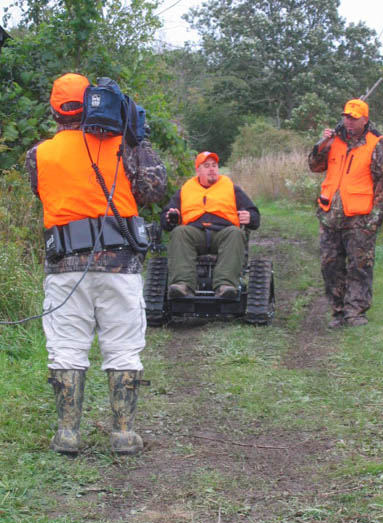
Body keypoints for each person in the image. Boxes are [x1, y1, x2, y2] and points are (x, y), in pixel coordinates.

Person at [25, 73, 167, 455]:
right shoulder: (123, 144)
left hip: (65, 267)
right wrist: (137, 134)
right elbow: (155, 190)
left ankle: (68, 434)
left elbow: (41, 190)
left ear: (55, 110)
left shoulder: (38, 154)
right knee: (122, 348)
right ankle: (123, 434)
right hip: (120, 266)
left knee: (67, 348)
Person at [308, 98, 383, 328]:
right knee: (329, 265)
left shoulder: (376, 144)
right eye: (346, 116)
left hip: (360, 219)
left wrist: (374, 220)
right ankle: (338, 311)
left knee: (359, 266)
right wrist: (322, 143)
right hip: (330, 216)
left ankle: (355, 313)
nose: (349, 121)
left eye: (354, 118)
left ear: (365, 119)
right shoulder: (334, 140)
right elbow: (314, 166)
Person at [161, 151, 260, 298]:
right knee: (179, 232)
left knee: (236, 233)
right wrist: (170, 217)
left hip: (224, 233)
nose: (212, 169)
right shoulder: (185, 190)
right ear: (198, 170)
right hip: (195, 233)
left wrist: (250, 217)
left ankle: (225, 286)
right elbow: (165, 218)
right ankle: (183, 285)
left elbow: (255, 216)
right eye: (206, 166)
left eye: (214, 165)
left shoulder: (231, 188)